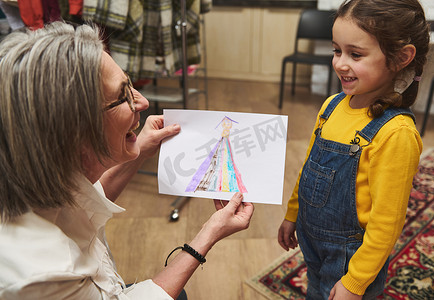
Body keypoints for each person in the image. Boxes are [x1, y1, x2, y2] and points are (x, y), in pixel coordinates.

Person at [0, 22, 254, 299]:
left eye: (130, 85)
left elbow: (81, 208)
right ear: (74, 129)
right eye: (123, 96)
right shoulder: (42, 275)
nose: (142, 102)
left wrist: (140, 150)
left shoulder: (39, 174)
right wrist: (209, 233)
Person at [277, 0, 430, 299]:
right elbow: (310, 166)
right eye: (337, 50)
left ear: (401, 58)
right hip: (312, 238)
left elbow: (387, 223)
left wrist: (355, 282)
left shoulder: (396, 134)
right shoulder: (331, 106)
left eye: (355, 54)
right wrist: (293, 213)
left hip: (351, 256)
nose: (340, 63)